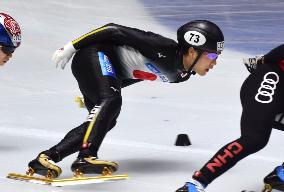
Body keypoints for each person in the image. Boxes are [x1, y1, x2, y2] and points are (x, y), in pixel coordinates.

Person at [27, 20, 225, 178]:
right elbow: (112, 29)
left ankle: (46, 158)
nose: (215, 62)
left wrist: (101, 88)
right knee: (112, 101)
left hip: (104, 72)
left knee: (107, 121)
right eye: (212, 56)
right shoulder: (162, 46)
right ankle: (86, 156)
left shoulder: (180, 76)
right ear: (192, 51)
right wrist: (71, 46)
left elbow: (136, 74)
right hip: (92, 54)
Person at [175, 44, 284, 192]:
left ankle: (281, 176)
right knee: (254, 139)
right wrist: (265, 60)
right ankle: (195, 184)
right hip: (271, 79)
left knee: (256, 139)